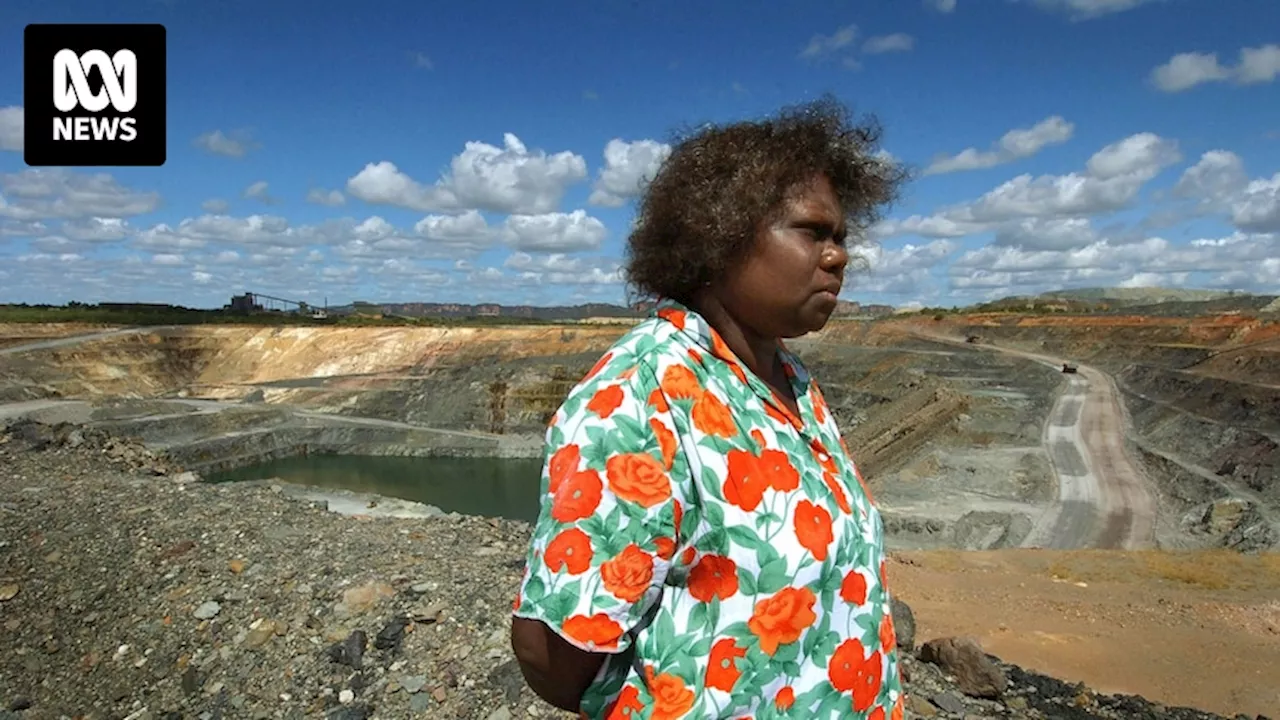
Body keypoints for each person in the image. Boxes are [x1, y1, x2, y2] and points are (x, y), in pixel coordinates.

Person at [509, 95, 910, 719]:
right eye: (812, 232)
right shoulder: (644, 395)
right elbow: (553, 654)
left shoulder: (787, 378)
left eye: (841, 237)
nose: (838, 256)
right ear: (718, 234)